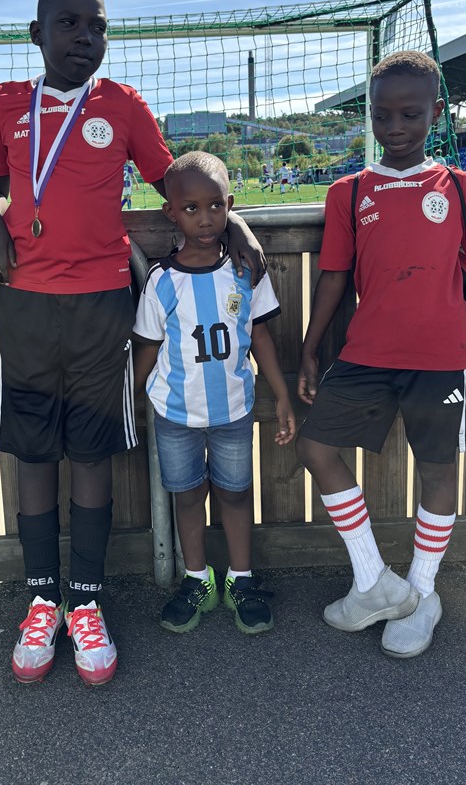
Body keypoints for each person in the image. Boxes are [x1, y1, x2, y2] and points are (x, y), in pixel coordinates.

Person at [0, 0, 267, 686]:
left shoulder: (123, 106)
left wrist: (239, 222)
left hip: (104, 303)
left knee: (92, 451)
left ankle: (86, 603)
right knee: (35, 452)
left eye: (97, 26)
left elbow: (180, 186)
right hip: (27, 304)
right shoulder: (6, 104)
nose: (85, 37)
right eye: (69, 24)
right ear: (37, 34)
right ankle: (41, 602)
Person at [294, 50, 466, 659]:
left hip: (441, 357)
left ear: (437, 113)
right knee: (315, 447)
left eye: (411, 114)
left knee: (436, 471)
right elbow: (333, 277)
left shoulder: (455, 185)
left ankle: (423, 593)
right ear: (371, 115)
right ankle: (374, 582)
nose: (395, 127)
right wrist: (309, 350)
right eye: (382, 115)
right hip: (367, 354)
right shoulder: (349, 191)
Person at [133, 151, 296, 635]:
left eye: (215, 207)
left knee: (235, 493)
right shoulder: (162, 282)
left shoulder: (246, 271)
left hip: (233, 413)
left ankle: (240, 580)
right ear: (171, 212)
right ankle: (197, 579)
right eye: (191, 209)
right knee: (187, 498)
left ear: (230, 206)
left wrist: (282, 395)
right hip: (176, 415)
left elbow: (261, 336)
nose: (205, 219)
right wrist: (125, 399)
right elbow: (147, 347)